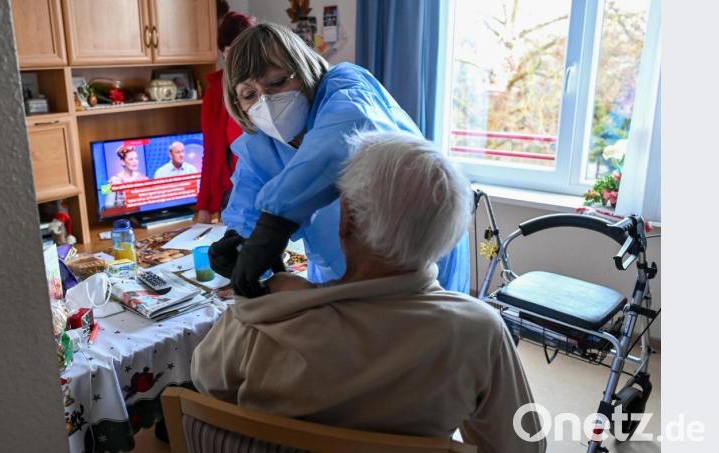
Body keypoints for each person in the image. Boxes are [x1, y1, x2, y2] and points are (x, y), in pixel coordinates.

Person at [192, 131, 545, 453]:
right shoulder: (478, 331)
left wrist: (289, 297)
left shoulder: (261, 320)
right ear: (447, 232)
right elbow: (523, 445)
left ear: (346, 219)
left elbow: (205, 383)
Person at [208, 23, 470, 297]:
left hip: (412, 260)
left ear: (305, 71)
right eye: (249, 95)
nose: (267, 101)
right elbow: (248, 212)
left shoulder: (348, 89)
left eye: (278, 82)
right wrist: (240, 245)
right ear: (238, 104)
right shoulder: (260, 144)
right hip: (336, 270)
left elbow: (340, 141)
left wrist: (274, 225)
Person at [196, 11, 257, 224]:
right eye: (231, 52)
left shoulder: (266, 88)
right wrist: (204, 205)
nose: (236, 61)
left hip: (265, 189)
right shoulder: (214, 92)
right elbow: (210, 152)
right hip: (230, 193)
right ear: (223, 52)